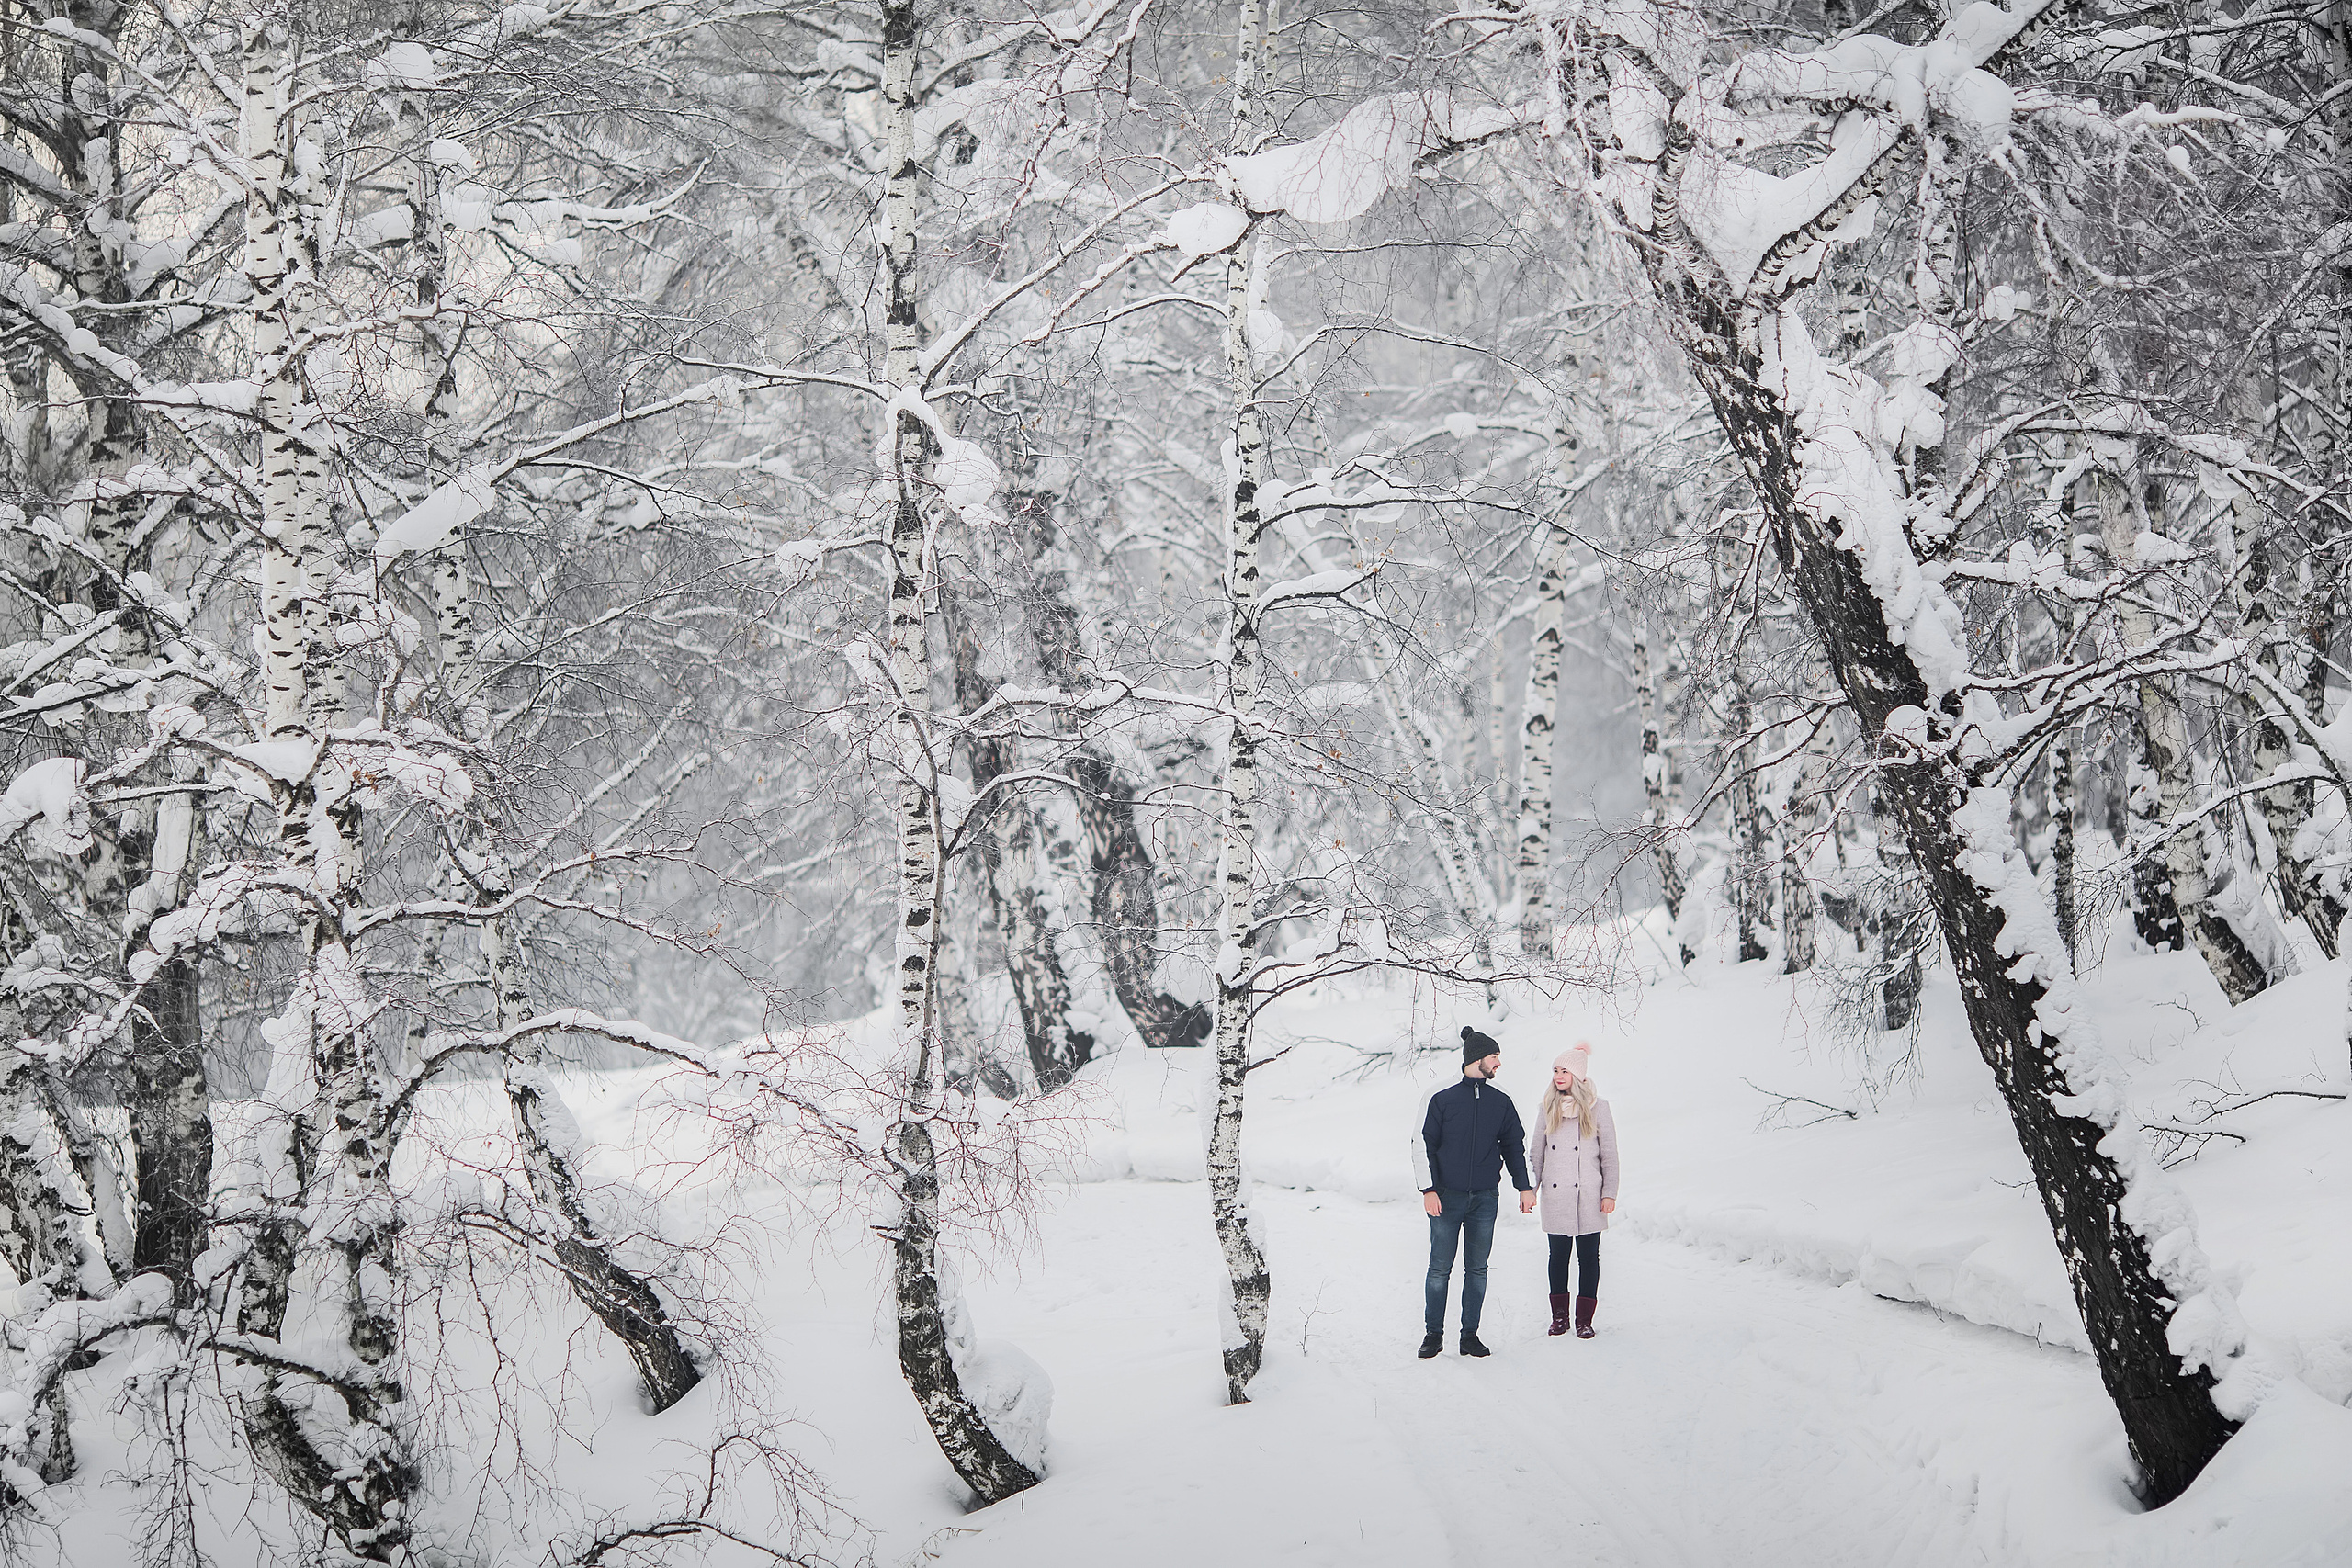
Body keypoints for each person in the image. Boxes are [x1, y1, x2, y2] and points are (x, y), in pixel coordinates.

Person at [1413, 1026, 1536, 1359]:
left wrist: (1524, 1186)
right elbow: (1422, 1144)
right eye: (1495, 1057)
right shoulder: (1440, 1096)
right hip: (1446, 1197)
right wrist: (1428, 1189)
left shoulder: (1501, 1100)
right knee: (1440, 1268)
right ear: (1477, 1059)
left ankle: (1469, 1336)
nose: (1499, 1063)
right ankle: (1433, 1336)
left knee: (1477, 1268)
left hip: (1484, 1198)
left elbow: (1513, 1146)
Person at [1529, 1042, 1619, 1339]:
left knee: (1589, 1258)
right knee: (1558, 1256)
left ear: (1578, 1075)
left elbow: (1609, 1155)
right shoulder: (1547, 1107)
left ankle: (1584, 1320)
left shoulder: (1598, 1107)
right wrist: (1530, 1189)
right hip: (1556, 1196)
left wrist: (1609, 1193)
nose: (1558, 1076)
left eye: (1564, 1070)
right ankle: (1559, 1318)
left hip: (1589, 1196)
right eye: (1555, 1070)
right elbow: (1536, 1154)